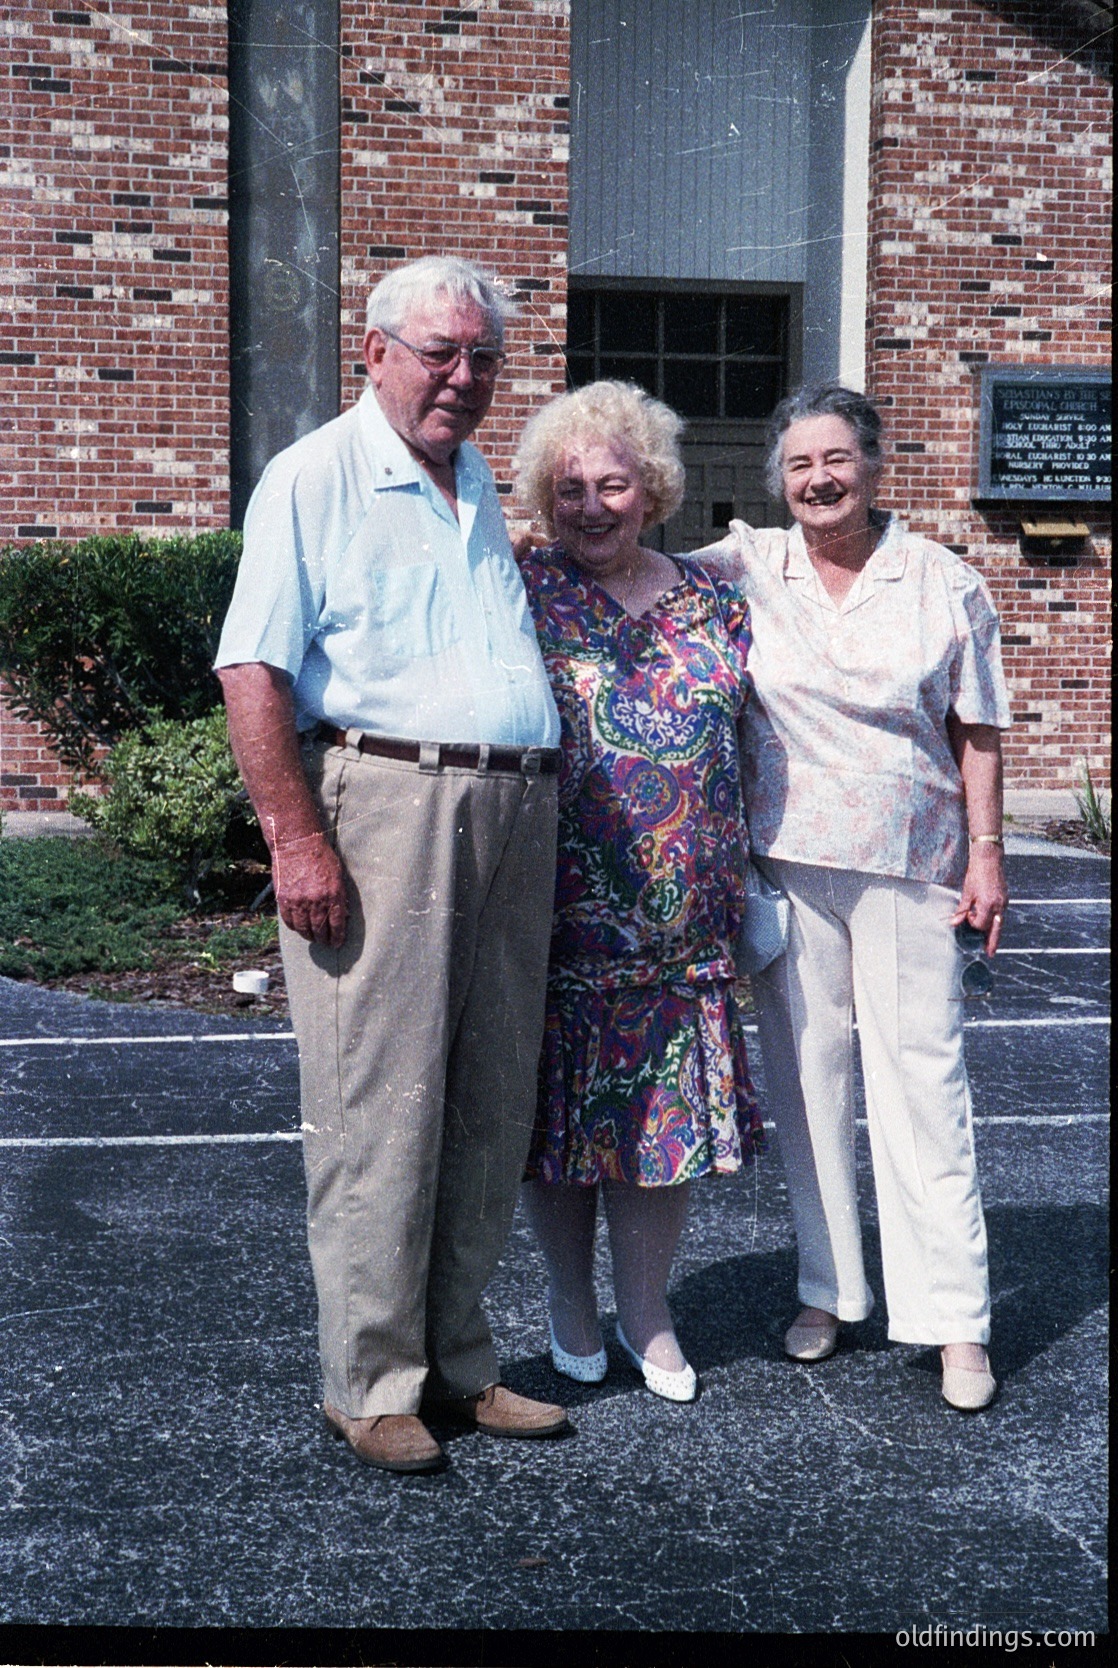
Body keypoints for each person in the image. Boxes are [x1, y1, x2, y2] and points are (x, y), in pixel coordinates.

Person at [215, 256, 571, 1475]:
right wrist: (297, 837)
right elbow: (253, 670)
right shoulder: (316, 475)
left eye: (482, 358)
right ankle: (368, 1382)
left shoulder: (472, 476)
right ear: (373, 353)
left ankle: (458, 1362)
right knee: (380, 1106)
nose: (463, 379)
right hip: (386, 809)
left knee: (486, 1099)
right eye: (439, 353)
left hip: (515, 812)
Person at [698, 382, 1011, 1412]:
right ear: (776, 478)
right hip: (786, 864)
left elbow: (976, 730)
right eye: (797, 465)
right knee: (807, 1082)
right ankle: (827, 1290)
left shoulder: (941, 581)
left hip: (909, 864)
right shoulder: (745, 566)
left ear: (874, 467)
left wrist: (986, 855)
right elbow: (630, 569)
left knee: (923, 1088)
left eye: (835, 460)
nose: (817, 480)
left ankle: (953, 1320)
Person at [511, 380, 765, 1403]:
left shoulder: (714, 596)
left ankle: (647, 1312)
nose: (589, 505)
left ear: (651, 485)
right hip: (558, 910)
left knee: (659, 1124)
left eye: (611, 483)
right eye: (567, 487)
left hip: (682, 922)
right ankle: (571, 1304)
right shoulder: (520, 588)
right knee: (562, 1126)